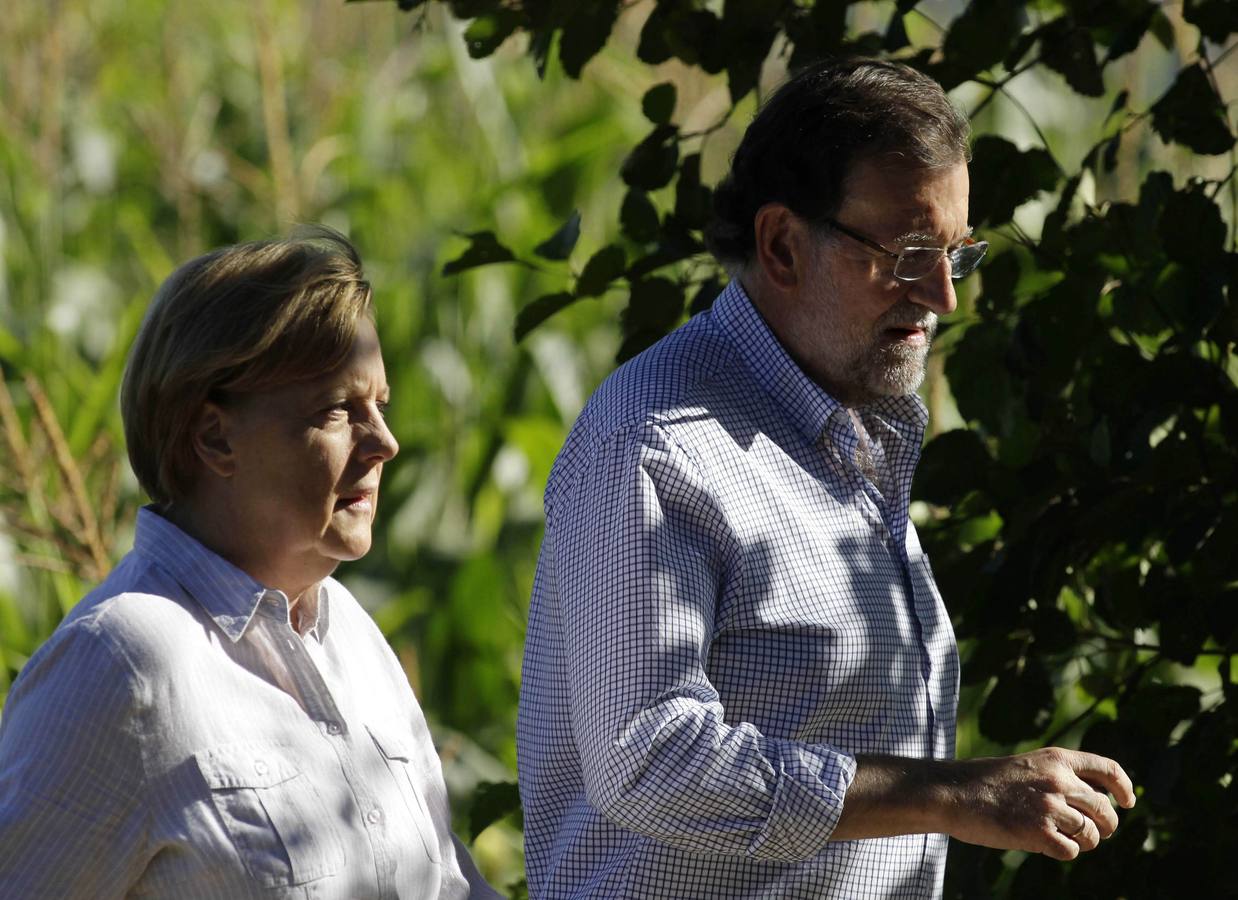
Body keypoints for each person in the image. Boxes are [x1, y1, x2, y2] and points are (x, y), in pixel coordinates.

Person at [516, 58, 1135, 899]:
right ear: (781, 245)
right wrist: (953, 794)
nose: (944, 297)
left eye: (959, 253)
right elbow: (650, 760)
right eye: (911, 252)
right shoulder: (658, 446)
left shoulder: (842, 422)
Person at [0, 227, 500, 899]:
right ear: (214, 437)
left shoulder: (348, 632)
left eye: (379, 405)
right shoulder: (121, 664)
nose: (385, 442)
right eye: (337, 410)